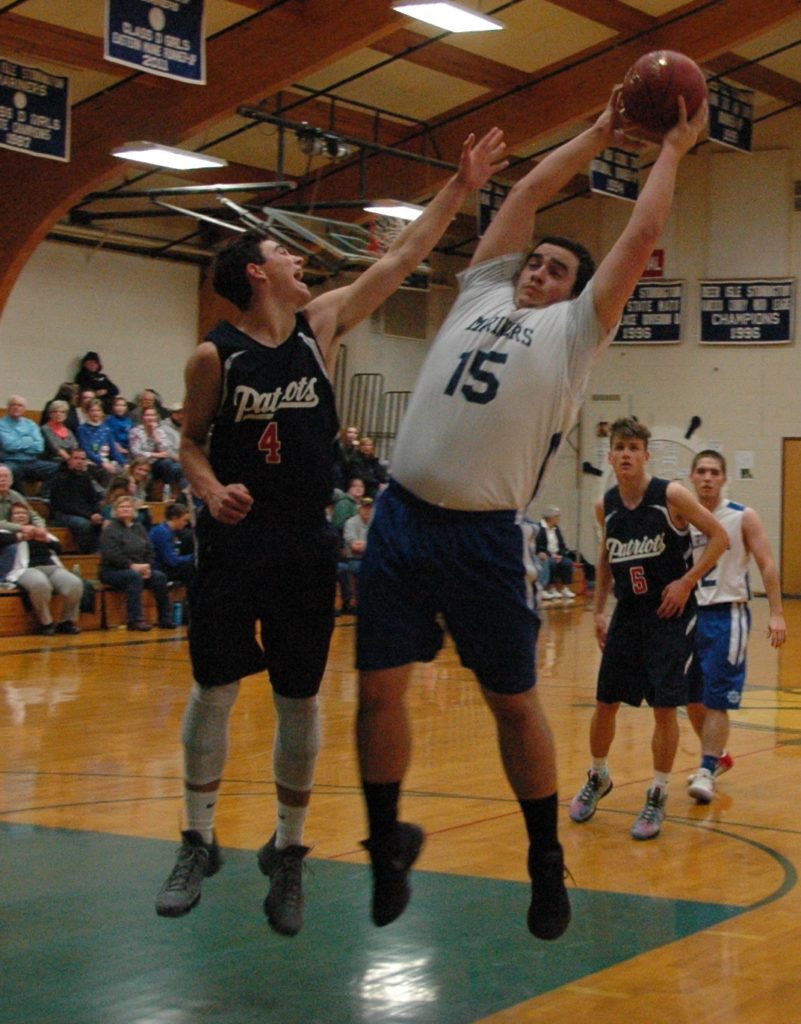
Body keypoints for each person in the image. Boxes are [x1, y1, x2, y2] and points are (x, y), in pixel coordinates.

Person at [354, 89, 708, 942]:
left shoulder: (575, 335)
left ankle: (544, 859)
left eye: (553, 268)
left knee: (514, 705)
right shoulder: (480, 296)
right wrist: (596, 130)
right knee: (375, 691)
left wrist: (670, 148)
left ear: (577, 293)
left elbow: (639, 238)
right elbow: (518, 198)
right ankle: (384, 840)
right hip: (400, 519)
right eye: (533, 263)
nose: (534, 271)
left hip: (478, 537)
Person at [153, 126, 508, 934]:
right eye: (284, 253)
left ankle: (288, 851)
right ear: (254, 271)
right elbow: (189, 440)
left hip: (304, 540)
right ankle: (196, 839)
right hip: (235, 543)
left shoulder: (322, 327)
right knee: (213, 686)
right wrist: (207, 489)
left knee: (298, 698)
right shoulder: (214, 358)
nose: (299, 261)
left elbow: (401, 258)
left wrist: (458, 185)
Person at [568, 418, 728, 841]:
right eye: (619, 447)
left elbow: (719, 536)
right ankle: (597, 776)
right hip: (629, 615)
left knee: (663, 707)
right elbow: (605, 557)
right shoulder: (606, 504)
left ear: (645, 455)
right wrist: (599, 608)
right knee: (605, 702)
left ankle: (657, 791)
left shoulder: (670, 495)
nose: (625, 454)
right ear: (611, 454)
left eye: (633, 448)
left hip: (670, 614)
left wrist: (687, 581)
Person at [684, 450, 787, 803]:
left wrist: (776, 612)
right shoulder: (682, 517)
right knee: (692, 698)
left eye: (714, 472)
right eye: (702, 471)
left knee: (717, 698)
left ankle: (708, 767)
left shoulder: (742, 516)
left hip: (727, 615)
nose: (708, 477)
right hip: (690, 614)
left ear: (724, 477)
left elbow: (767, 564)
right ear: (692, 477)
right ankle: (718, 757)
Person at [0, 502, 82, 635]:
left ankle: (67, 621)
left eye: (23, 513)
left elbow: (58, 548)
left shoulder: (39, 529)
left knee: (74, 583)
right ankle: (46, 623)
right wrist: (20, 536)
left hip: (51, 566)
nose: (20, 516)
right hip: (25, 569)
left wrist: (46, 539)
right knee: (40, 584)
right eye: (16, 513)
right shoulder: (7, 531)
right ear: (11, 517)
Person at [99, 494, 173, 631]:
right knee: (134, 577)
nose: (125, 509)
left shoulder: (139, 528)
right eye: (121, 507)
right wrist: (131, 566)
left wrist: (148, 566)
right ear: (115, 511)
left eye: (128, 507)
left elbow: (149, 549)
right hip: (113, 570)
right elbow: (111, 554)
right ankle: (135, 619)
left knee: (159, 577)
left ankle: (165, 618)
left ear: (134, 510)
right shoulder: (110, 529)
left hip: (139, 568)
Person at [49, 449, 105, 553]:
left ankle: (99, 553)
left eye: (82, 459)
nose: (79, 461)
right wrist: (89, 515)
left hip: (85, 513)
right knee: (84, 524)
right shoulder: (59, 477)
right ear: (69, 460)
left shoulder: (85, 477)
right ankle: (85, 554)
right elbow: (63, 505)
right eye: (76, 458)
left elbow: (93, 499)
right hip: (64, 514)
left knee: (103, 522)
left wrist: (97, 513)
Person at [0, 395, 58, 495]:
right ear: (8, 407)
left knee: (57, 468)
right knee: (6, 472)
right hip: (11, 461)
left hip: (31, 461)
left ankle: (42, 497)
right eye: (13, 405)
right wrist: (29, 440)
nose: (16, 407)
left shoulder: (31, 424)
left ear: (24, 409)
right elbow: (9, 445)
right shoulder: (2, 424)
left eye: (20, 405)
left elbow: (39, 447)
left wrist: (19, 441)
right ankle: (18, 498)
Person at [129, 408, 184, 496]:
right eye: (147, 415)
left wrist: (155, 433)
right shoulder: (135, 431)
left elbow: (164, 450)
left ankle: (171, 496)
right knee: (165, 464)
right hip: (139, 462)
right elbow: (135, 451)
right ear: (143, 417)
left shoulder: (160, 431)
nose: (150, 418)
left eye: (152, 415)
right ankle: (161, 494)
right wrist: (156, 454)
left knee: (171, 465)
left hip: (155, 462)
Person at [338, 496, 374, 615]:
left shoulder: (375, 523)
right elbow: (355, 547)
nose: (367, 510)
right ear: (359, 508)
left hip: (371, 558)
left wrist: (364, 545)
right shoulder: (351, 522)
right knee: (360, 568)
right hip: (353, 559)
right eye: (364, 507)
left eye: (369, 508)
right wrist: (370, 546)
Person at [77, 399, 126, 483]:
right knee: (105, 472)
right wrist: (102, 462)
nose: (95, 413)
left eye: (98, 410)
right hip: (92, 461)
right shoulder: (82, 429)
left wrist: (124, 463)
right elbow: (86, 450)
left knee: (124, 472)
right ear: (87, 412)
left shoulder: (106, 429)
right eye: (92, 410)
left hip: (107, 460)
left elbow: (114, 450)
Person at [149, 502, 195, 585]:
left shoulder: (171, 531)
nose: (186, 524)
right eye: (184, 520)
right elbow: (171, 560)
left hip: (167, 566)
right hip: (160, 568)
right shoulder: (162, 532)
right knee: (192, 566)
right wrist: (193, 556)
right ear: (175, 518)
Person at [536, 506, 576, 600]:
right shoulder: (539, 528)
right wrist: (551, 555)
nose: (559, 518)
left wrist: (560, 555)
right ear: (550, 517)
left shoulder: (556, 528)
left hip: (556, 554)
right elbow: (539, 546)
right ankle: (551, 588)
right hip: (545, 555)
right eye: (557, 516)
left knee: (567, 563)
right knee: (551, 563)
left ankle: (565, 588)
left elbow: (562, 545)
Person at [0, 464, 45, 534]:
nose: (3, 479)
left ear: (11, 481)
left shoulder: (15, 495)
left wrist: (40, 527)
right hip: (5, 534)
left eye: (6, 476)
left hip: (15, 532)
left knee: (51, 540)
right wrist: (21, 528)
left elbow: (33, 515)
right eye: (0, 476)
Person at [41, 400, 80, 466]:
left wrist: (78, 460)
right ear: (50, 414)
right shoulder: (45, 428)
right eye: (55, 412)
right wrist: (71, 461)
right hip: (51, 461)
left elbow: (75, 447)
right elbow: (57, 448)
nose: (59, 414)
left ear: (66, 415)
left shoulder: (68, 430)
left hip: (68, 461)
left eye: (63, 412)